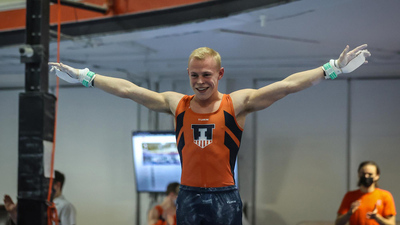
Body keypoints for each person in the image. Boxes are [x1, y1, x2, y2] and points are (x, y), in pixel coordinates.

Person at [49, 44, 370, 225]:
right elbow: (130, 90)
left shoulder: (237, 104)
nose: (200, 81)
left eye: (206, 75)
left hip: (225, 197)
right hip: (188, 196)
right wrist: (86, 76)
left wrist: (333, 68)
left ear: (220, 74)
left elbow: (286, 86)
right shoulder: (177, 104)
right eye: (194, 75)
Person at [3, 170, 77, 225]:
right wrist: (12, 213)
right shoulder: (41, 205)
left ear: (57, 185)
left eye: (46, 183)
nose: (43, 187)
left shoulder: (66, 206)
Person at [335, 161, 396, 225]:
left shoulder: (385, 196)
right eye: (363, 174)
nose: (366, 176)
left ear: (377, 176)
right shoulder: (350, 195)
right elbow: (338, 223)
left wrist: (376, 217)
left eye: (370, 174)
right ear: (358, 174)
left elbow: (392, 223)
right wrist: (349, 213)